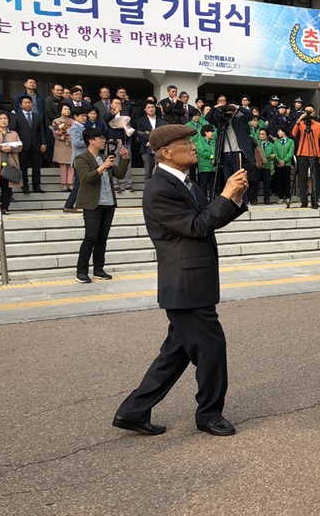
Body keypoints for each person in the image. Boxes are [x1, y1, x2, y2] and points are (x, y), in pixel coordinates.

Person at [113, 124, 248, 437]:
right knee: (211, 348)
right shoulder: (158, 189)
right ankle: (209, 414)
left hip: (192, 282)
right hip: (184, 285)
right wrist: (225, 195)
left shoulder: (184, 182)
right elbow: (198, 226)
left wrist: (235, 199)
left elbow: (208, 221)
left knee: (176, 353)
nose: (193, 146)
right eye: (185, 142)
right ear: (166, 152)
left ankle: (132, 411)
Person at [73, 128, 130, 283]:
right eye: (100, 138)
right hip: (92, 203)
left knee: (102, 238)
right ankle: (81, 271)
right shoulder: (81, 158)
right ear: (91, 141)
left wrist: (124, 158)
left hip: (108, 202)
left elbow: (120, 174)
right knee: (90, 237)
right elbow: (86, 178)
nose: (103, 140)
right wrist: (102, 167)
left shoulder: (105, 157)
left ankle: (98, 269)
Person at [10, 95, 49, 194]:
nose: (28, 104)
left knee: (37, 167)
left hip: (36, 145)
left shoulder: (37, 117)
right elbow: (14, 131)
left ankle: (37, 186)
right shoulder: (16, 117)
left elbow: (42, 131)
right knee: (23, 167)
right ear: (21, 105)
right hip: (23, 146)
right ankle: (24, 185)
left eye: (29, 102)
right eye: (25, 103)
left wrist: (44, 143)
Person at [291, 106, 320, 209]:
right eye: (307, 111)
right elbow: (293, 133)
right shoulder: (301, 124)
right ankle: (304, 200)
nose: (309, 113)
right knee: (302, 178)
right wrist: (300, 119)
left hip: (315, 154)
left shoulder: (318, 125)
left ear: (314, 112)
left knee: (316, 178)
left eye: (310, 111)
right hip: (302, 154)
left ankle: (315, 200)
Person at [0, 110, 22, 215]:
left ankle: (5, 207)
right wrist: (0, 147)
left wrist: (11, 149)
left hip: (9, 163)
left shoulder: (13, 133)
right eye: (0, 119)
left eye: (5, 118)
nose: (3, 121)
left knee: (7, 187)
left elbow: (19, 146)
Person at [63, 110, 90, 213]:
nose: (85, 118)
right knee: (79, 183)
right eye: (82, 115)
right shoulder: (75, 128)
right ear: (76, 116)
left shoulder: (82, 127)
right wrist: (90, 141)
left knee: (82, 183)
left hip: (83, 158)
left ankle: (74, 204)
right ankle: (69, 205)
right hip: (79, 159)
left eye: (85, 116)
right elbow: (77, 143)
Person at [135, 101, 167, 183]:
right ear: (145, 109)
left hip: (160, 149)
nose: (151, 109)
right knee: (148, 173)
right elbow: (139, 133)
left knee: (161, 172)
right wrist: (148, 142)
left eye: (152, 107)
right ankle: (148, 193)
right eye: (148, 108)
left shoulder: (161, 119)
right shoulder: (141, 120)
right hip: (146, 148)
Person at [51, 104, 76, 191]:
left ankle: (70, 183)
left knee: (71, 165)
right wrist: (63, 137)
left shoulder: (73, 121)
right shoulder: (56, 121)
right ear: (60, 111)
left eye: (68, 109)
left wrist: (70, 138)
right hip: (61, 146)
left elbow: (75, 132)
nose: (67, 111)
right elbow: (55, 133)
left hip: (71, 145)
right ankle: (64, 184)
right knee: (63, 165)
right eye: (65, 109)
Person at [250, 129, 275, 204]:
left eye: (263, 134)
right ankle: (254, 199)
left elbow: (275, 153)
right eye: (260, 134)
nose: (261, 135)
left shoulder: (271, 145)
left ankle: (267, 199)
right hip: (258, 165)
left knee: (266, 183)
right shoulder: (257, 144)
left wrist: (273, 156)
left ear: (267, 135)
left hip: (267, 165)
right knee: (256, 183)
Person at [195, 125, 218, 197]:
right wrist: (212, 157)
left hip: (213, 167)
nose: (212, 133)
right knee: (203, 185)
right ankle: (203, 200)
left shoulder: (213, 141)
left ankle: (213, 200)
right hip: (204, 167)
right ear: (206, 133)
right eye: (211, 132)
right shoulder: (200, 141)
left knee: (213, 185)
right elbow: (203, 152)